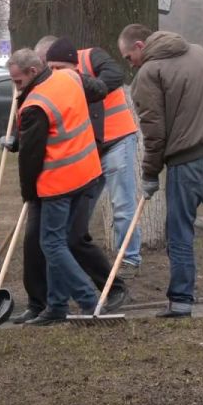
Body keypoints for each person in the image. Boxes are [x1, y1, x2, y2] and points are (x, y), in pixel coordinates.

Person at [118, 24, 203, 318]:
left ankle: (181, 300)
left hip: (185, 162)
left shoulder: (149, 74)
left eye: (129, 57)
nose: (131, 64)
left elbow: (155, 133)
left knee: (179, 232)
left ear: (140, 46)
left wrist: (150, 174)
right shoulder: (201, 53)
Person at [8, 39, 128, 324]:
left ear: (34, 70)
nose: (16, 86)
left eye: (18, 80)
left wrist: (28, 193)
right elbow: (98, 90)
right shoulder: (70, 77)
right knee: (61, 241)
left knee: (51, 244)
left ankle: (89, 301)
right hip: (86, 174)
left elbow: (30, 157)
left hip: (58, 182)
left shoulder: (35, 105)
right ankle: (56, 307)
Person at [37, 36, 143, 276]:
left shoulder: (90, 56)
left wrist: (89, 87)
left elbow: (115, 75)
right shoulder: (51, 81)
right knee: (82, 208)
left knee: (122, 204)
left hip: (117, 139)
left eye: (54, 65)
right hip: (90, 149)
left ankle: (129, 259)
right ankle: (76, 254)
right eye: (47, 66)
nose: (52, 72)